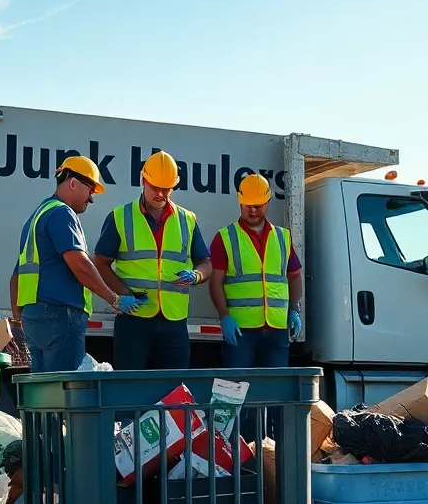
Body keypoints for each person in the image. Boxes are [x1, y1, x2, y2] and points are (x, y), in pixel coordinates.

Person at [10, 156, 144, 373]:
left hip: (34, 319)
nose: (91, 199)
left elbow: (16, 276)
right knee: (64, 395)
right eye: (90, 189)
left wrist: (19, 319)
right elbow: (80, 264)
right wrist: (114, 299)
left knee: (43, 394)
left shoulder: (36, 218)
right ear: (72, 183)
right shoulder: (63, 214)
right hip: (61, 316)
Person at [93, 152, 212, 369]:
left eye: (166, 188)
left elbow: (205, 262)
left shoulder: (187, 220)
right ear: (143, 181)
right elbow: (100, 262)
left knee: (174, 390)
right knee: (129, 387)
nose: (160, 193)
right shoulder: (120, 216)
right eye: (154, 187)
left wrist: (196, 276)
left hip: (173, 322)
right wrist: (124, 295)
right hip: (134, 320)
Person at [209, 174, 304, 368]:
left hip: (277, 331)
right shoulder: (225, 237)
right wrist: (224, 316)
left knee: (273, 392)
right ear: (240, 202)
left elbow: (294, 276)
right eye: (247, 205)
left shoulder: (282, 237)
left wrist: (294, 310)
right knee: (235, 391)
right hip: (241, 331)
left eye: (258, 206)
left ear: (267, 202)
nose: (252, 210)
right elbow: (215, 281)